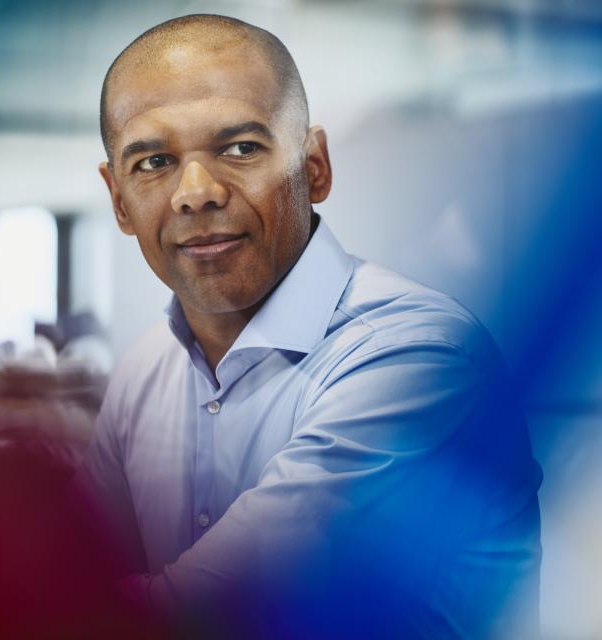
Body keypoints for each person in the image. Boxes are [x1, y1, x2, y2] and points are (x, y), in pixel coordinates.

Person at [78, 14, 542, 638]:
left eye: (240, 148)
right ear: (118, 202)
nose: (196, 193)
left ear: (314, 167)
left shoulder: (418, 354)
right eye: (155, 161)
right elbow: (71, 580)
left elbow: (217, 609)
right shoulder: (143, 370)